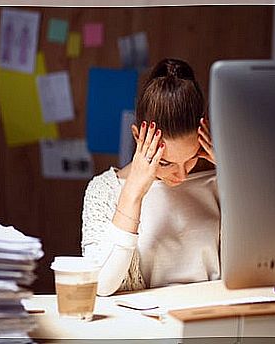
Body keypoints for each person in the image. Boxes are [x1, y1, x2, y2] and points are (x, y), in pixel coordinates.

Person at [81, 58, 219, 296]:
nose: (182, 173)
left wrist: (233, 175)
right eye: (165, 162)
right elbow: (101, 285)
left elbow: (266, 260)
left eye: (191, 157)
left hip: (213, 319)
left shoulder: (218, 180)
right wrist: (133, 191)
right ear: (138, 137)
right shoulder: (104, 191)